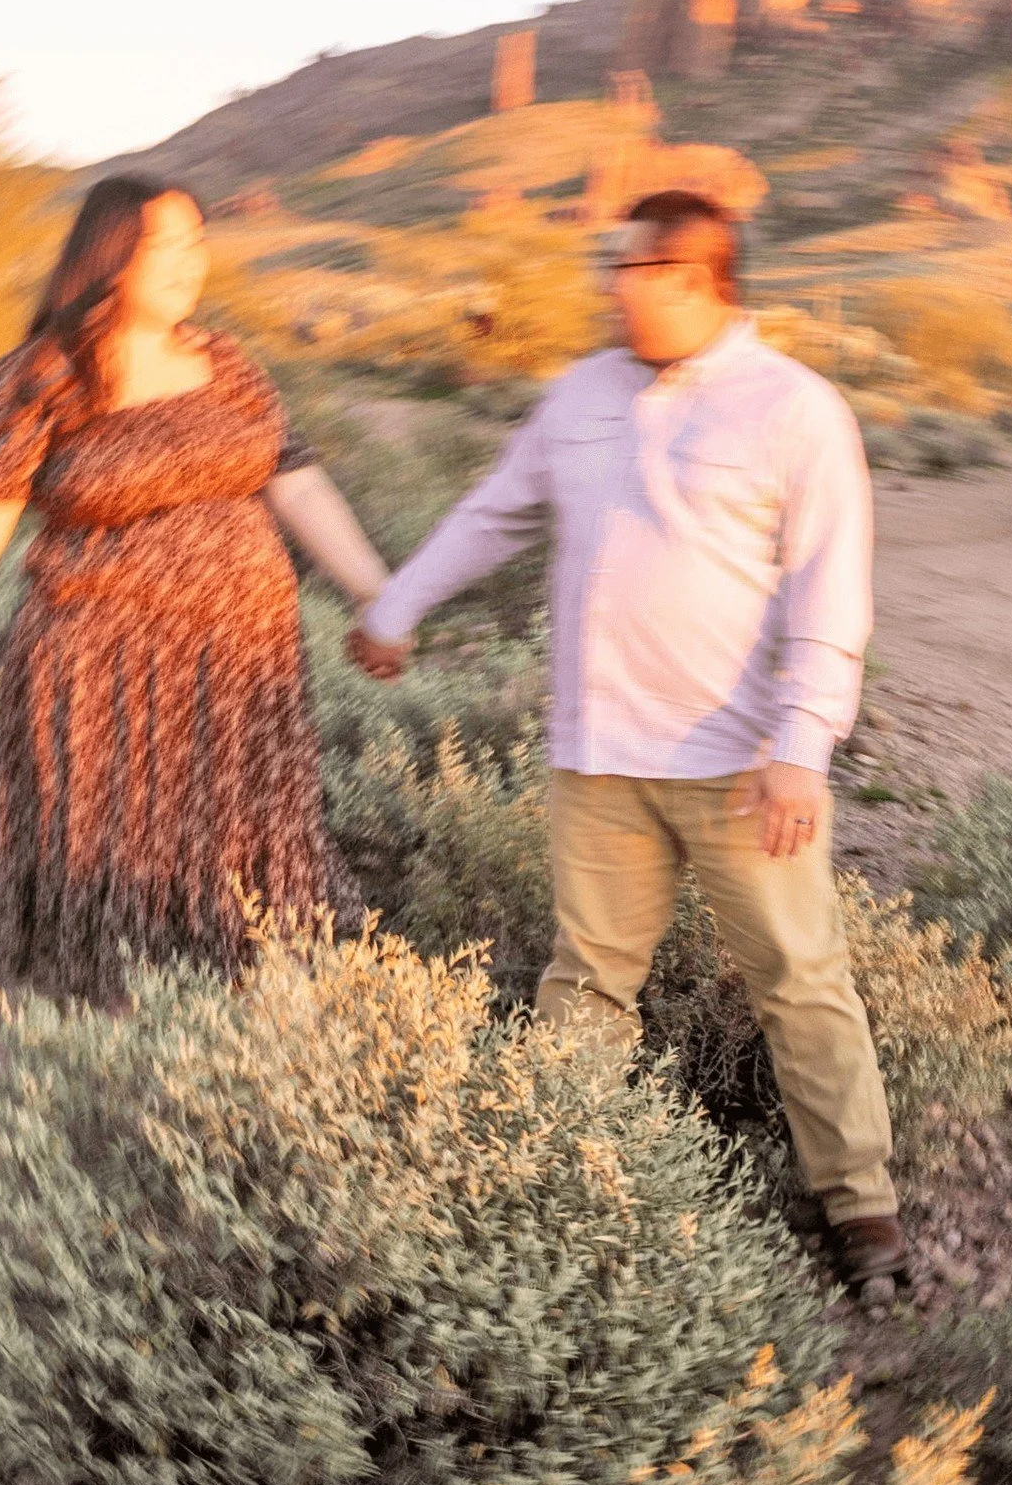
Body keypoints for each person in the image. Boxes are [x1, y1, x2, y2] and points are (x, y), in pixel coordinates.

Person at [348, 188, 906, 1287]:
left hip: (743, 766)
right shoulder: (579, 393)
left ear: (699, 279)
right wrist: (398, 604)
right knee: (588, 977)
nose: (613, 285)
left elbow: (830, 589)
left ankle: (862, 1213)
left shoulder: (793, 408)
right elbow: (494, 510)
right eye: (614, 267)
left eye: (633, 269)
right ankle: (557, 1189)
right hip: (596, 753)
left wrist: (800, 743)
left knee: (797, 979)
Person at [0, 174, 389, 1002]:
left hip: (242, 670)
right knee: (112, 853)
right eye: (167, 244)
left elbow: (296, 481)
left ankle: (242, 1028)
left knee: (242, 846)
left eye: (198, 240)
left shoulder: (227, 362)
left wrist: (377, 591)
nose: (189, 261)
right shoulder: (45, 373)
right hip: (102, 669)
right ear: (110, 256)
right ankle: (112, 1046)